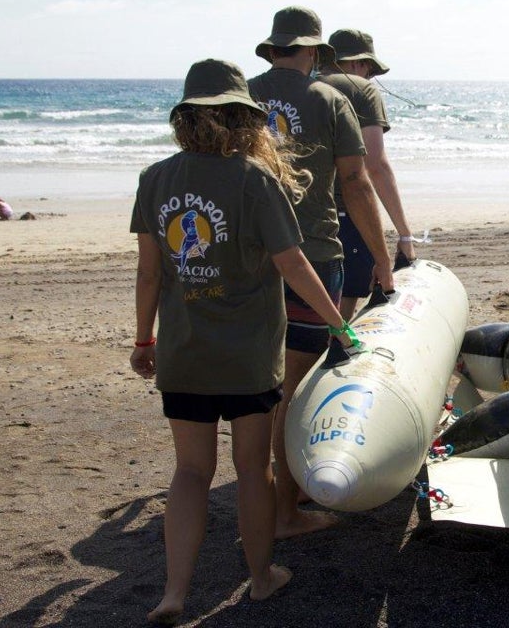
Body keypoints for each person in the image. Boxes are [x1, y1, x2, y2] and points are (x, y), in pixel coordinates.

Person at [129, 59, 357, 624]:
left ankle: (174, 594)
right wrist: (338, 322)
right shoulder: (256, 180)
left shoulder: (155, 178)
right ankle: (260, 578)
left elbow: (150, 273)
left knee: (189, 472)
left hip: (184, 352)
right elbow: (294, 264)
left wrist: (143, 339)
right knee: (252, 470)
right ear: (244, 119)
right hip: (249, 356)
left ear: (186, 118)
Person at [247, 6, 395, 539]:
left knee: (253, 389)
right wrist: (381, 255)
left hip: (246, 264)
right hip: (311, 256)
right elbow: (356, 181)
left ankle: (260, 500)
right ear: (312, 51)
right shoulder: (330, 98)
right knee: (296, 389)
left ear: (272, 48)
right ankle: (286, 512)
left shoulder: (240, 97)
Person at [317, 28, 416, 320]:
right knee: (341, 304)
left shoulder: (300, 88)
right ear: (358, 63)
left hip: (290, 212)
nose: (370, 77)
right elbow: (375, 165)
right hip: (343, 212)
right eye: (370, 70)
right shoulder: (361, 89)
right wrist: (404, 233)